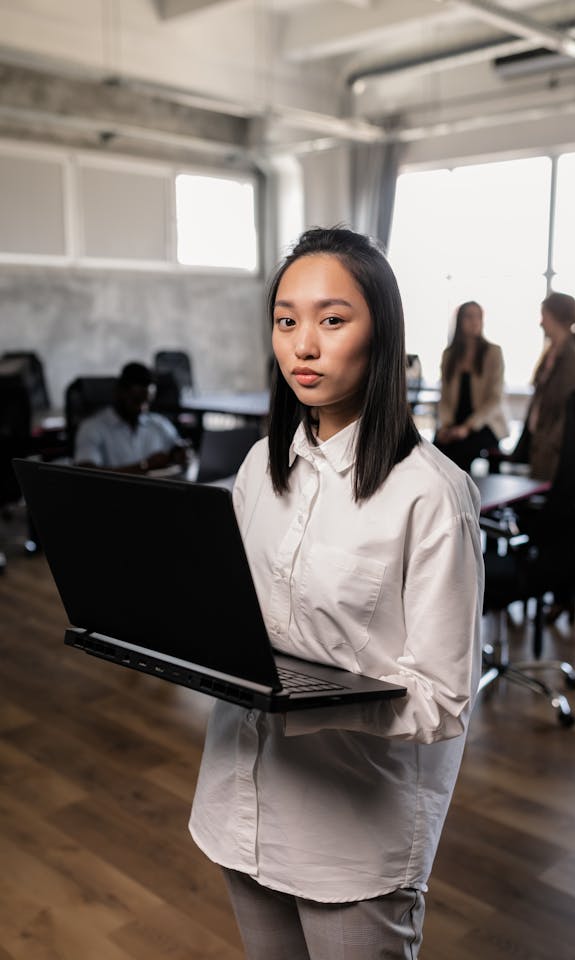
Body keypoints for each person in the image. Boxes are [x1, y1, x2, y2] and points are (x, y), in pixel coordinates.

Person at [189, 227, 484, 959]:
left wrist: (305, 703)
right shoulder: (262, 466)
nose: (303, 346)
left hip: (351, 839)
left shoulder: (431, 495)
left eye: (331, 319)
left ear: (380, 332)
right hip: (240, 801)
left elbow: (443, 698)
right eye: (286, 321)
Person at [522, 291, 575, 482]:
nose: (541, 323)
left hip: (556, 455)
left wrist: (549, 444)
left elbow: (572, 413)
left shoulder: (573, 358)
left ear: (556, 317)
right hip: (545, 448)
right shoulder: (555, 353)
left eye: (544, 316)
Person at [434, 301, 509, 473]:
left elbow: (494, 400)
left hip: (485, 422)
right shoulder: (450, 355)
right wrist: (446, 426)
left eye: (478, 317)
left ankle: (467, 497)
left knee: (461, 451)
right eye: (469, 316)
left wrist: (467, 428)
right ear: (459, 321)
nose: (474, 321)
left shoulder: (493, 352)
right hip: (455, 421)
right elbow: (445, 397)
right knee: (434, 451)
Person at [74, 361, 188, 473]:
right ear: (119, 392)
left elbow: (179, 447)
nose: (143, 409)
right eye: (136, 401)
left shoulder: (159, 423)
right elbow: (88, 475)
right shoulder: (92, 428)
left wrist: (182, 453)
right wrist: (144, 466)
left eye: (147, 403)